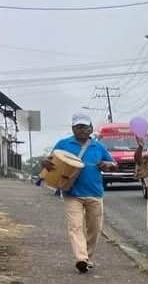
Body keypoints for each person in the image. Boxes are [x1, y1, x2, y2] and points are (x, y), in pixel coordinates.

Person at [43, 113, 118, 273]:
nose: (82, 130)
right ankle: (81, 258)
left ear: (91, 128)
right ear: (73, 128)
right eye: (78, 127)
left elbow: (113, 164)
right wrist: (44, 163)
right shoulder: (63, 144)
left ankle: (88, 257)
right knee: (75, 226)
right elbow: (50, 161)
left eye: (85, 127)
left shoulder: (98, 146)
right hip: (72, 193)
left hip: (95, 193)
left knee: (95, 229)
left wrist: (108, 165)